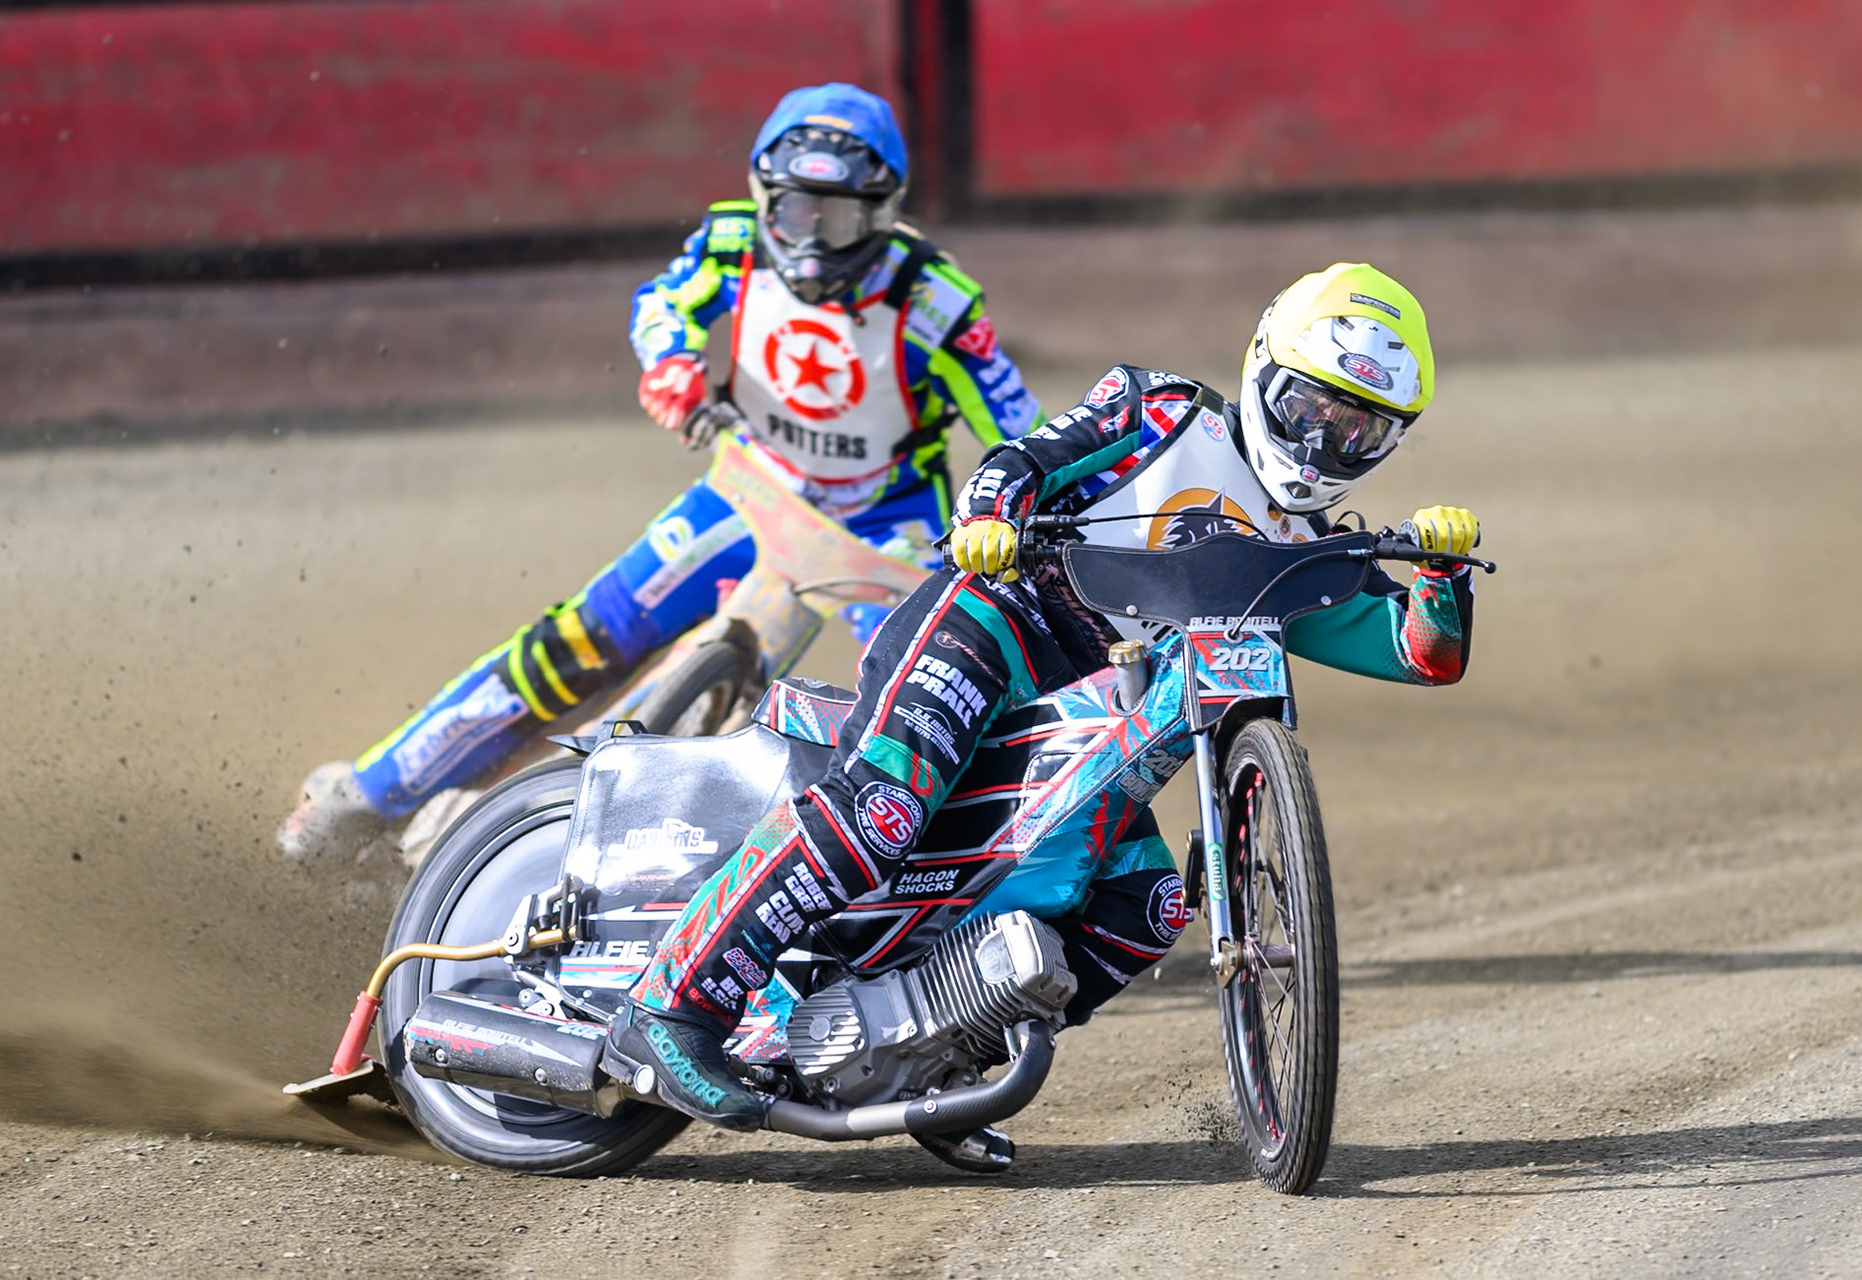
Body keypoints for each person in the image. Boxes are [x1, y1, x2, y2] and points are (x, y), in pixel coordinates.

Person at [599, 262, 1482, 1167]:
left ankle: (932, 1067)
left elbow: (1421, 654)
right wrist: (992, 517)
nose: (1325, 439)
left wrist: (1444, 573)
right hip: (994, 617)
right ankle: (673, 1005)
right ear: (1262, 371)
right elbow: (1021, 462)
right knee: (882, 809)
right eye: (1310, 408)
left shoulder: (1313, 551)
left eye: (1358, 427)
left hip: (1094, 706)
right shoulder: (1160, 410)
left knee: (1145, 906)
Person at [278, 83, 1043, 861]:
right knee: (577, 640)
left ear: (880, 211)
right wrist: (673, 368)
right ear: (762, 197)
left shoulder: (935, 301)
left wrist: (1012, 505)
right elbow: (662, 305)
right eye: (793, 211)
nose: (810, 240)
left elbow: (1018, 425)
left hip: (890, 529)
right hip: (753, 486)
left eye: (836, 215)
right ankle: (368, 794)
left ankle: (937, 883)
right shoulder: (732, 243)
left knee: (926, 711)